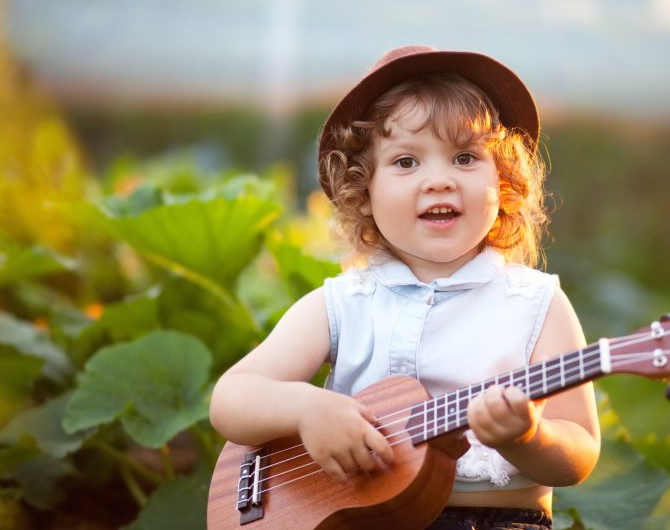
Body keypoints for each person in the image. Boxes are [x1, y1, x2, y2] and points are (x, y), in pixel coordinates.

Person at [210, 46, 600, 530]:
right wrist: (309, 407)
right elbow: (231, 398)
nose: (439, 180)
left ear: (503, 183)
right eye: (406, 162)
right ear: (363, 190)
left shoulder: (535, 303)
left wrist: (527, 437)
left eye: (464, 157)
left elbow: (580, 452)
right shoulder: (342, 304)